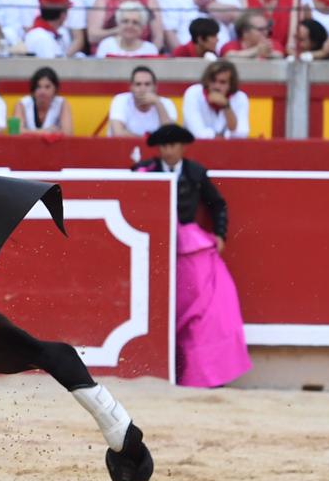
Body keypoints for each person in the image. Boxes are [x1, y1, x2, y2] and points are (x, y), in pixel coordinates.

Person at [131, 124, 250, 388]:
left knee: (204, 310)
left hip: (188, 245)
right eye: (163, 146)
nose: (168, 151)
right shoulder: (144, 170)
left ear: (183, 147)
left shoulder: (195, 172)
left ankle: (205, 375)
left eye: (173, 145)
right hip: (153, 244)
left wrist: (220, 234)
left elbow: (217, 204)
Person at [182, 60, 251, 140]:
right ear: (207, 81)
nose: (217, 86)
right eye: (213, 81)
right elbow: (197, 133)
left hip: (228, 147)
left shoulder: (240, 97)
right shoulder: (193, 93)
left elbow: (242, 133)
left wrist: (226, 106)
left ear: (231, 85)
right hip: (195, 147)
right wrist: (225, 136)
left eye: (222, 82)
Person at [108, 65, 178, 138]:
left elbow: (170, 136)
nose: (142, 89)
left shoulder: (166, 103)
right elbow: (118, 133)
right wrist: (147, 141)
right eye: (138, 84)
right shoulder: (120, 100)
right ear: (131, 87)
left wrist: (158, 103)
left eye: (147, 84)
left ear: (155, 87)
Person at [14, 67, 74, 136]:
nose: (42, 91)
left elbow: (68, 133)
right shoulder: (22, 103)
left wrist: (28, 132)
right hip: (27, 143)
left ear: (55, 89)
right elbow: (16, 132)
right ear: (33, 89)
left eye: (47, 87)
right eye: (38, 87)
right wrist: (46, 132)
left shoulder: (62, 103)